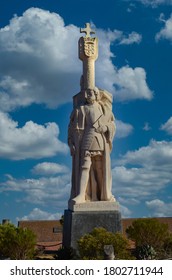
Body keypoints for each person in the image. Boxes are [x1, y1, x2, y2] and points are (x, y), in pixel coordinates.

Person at [68, 87, 116, 203]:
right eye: (87, 93)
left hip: (99, 138)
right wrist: (71, 142)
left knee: (99, 167)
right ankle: (81, 195)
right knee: (85, 166)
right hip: (86, 137)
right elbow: (72, 127)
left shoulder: (103, 108)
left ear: (96, 95)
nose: (88, 95)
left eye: (91, 93)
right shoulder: (80, 109)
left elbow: (112, 124)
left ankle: (103, 194)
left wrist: (105, 127)